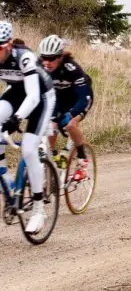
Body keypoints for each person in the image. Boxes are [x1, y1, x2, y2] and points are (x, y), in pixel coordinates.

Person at [0, 22, 55, 233]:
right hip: (16, 93)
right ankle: (5, 177)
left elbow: (32, 96)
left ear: (9, 45)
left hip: (41, 97)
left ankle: (39, 209)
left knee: (29, 149)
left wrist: (17, 118)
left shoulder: (24, 57)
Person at [38, 35, 94, 180]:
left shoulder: (72, 68)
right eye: (44, 57)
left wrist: (70, 115)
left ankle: (82, 160)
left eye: (52, 58)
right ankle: (53, 157)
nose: (47, 62)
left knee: (70, 124)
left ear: (60, 56)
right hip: (59, 98)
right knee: (52, 124)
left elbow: (84, 98)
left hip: (79, 98)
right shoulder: (40, 64)